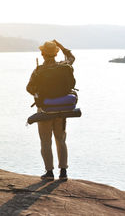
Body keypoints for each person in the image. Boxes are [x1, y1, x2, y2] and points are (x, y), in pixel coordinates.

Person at [26, 40, 75, 180]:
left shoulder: (38, 71)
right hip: (62, 109)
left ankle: (49, 172)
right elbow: (72, 58)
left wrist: (39, 94)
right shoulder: (64, 66)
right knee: (61, 140)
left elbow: (29, 88)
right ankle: (63, 172)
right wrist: (61, 46)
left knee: (46, 142)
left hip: (45, 110)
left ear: (42, 54)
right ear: (55, 53)